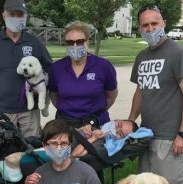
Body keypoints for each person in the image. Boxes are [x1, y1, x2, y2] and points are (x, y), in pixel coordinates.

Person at [128, 5, 183, 184]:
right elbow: (140, 91)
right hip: (146, 135)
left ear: (164, 23)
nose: (150, 29)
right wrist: (130, 121)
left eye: (154, 23)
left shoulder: (179, 54)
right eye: (145, 25)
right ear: (139, 27)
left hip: (170, 139)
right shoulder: (142, 56)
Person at [48, 20, 117, 183]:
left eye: (80, 41)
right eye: (70, 42)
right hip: (66, 124)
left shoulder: (103, 66)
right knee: (63, 165)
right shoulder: (57, 68)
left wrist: (94, 116)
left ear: (88, 41)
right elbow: (54, 95)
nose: (75, 45)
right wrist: (68, 111)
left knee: (91, 164)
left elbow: (111, 94)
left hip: (96, 125)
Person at [0, 0, 52, 138]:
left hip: (30, 111)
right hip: (1, 110)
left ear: (26, 17)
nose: (16, 18)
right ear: (3, 15)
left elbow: (50, 70)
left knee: (32, 151)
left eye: (20, 14)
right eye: (12, 14)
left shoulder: (35, 43)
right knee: (3, 151)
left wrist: (42, 86)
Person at [24, 119, 101, 184]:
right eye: (54, 143)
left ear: (70, 145)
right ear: (45, 145)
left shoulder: (86, 172)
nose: (59, 148)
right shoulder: (39, 174)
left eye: (64, 143)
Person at [72, 119, 139, 157]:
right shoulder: (95, 124)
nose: (116, 129)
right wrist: (82, 128)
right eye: (119, 125)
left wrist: (93, 138)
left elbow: (75, 154)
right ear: (117, 120)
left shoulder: (101, 144)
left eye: (120, 134)